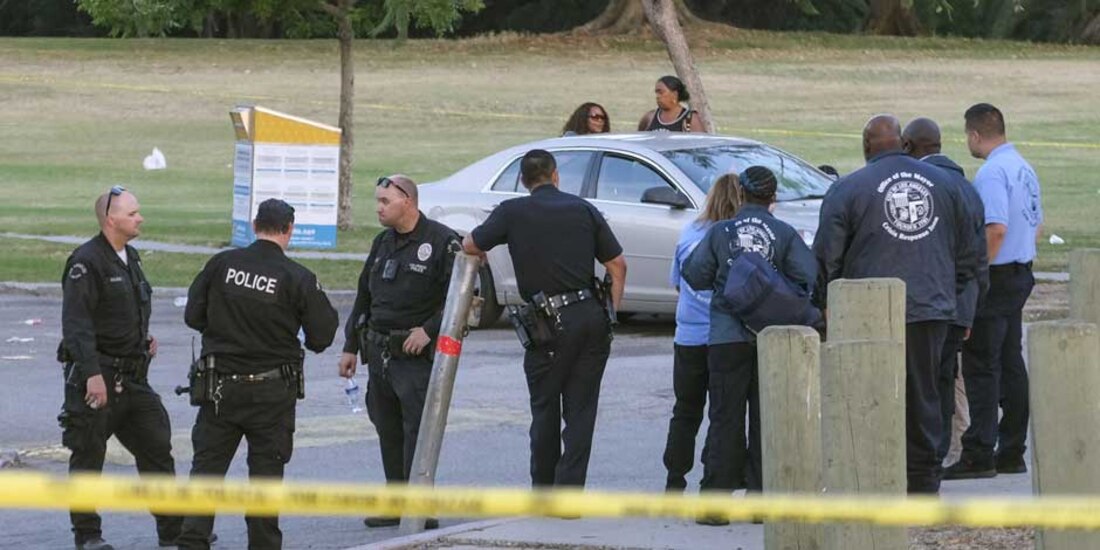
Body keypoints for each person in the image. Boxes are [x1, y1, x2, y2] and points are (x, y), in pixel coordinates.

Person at [813, 115, 976, 494]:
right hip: (929, 307)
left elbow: (826, 256)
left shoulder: (848, 188)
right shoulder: (947, 185)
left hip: (865, 309)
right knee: (925, 394)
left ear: (866, 146)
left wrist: (826, 303)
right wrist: (948, 292)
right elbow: (969, 253)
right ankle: (922, 480)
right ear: (903, 143)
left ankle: (872, 473)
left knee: (869, 393)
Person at [178, 199, 339, 550]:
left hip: (221, 390)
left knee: (205, 474)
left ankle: (192, 543)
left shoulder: (222, 265)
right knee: (265, 481)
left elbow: (193, 315)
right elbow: (322, 337)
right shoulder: (297, 277)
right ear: (289, 229)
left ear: (255, 225)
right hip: (271, 394)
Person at [463, 149, 627, 488]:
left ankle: (543, 489)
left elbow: (470, 243)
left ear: (524, 181)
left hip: (545, 323)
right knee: (581, 412)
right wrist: (610, 313)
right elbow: (617, 265)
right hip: (589, 315)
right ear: (555, 176)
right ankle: (569, 493)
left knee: (545, 408)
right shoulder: (584, 208)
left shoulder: (512, 212)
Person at [683, 166, 817, 524]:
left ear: (740, 194)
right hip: (771, 337)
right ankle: (760, 502)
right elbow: (808, 276)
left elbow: (694, 274)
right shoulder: (784, 233)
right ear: (773, 197)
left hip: (727, 337)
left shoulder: (720, 232)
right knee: (764, 418)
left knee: (724, 417)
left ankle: (715, 504)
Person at [58, 186, 184, 550]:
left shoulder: (131, 256)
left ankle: (173, 531)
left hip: (133, 379)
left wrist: (143, 339)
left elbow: (126, 309)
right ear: (111, 219)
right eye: (132, 214)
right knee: (88, 456)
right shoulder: (86, 262)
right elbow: (77, 325)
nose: (140, 218)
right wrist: (92, 375)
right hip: (97, 378)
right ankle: (88, 536)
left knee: (157, 448)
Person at [337, 175, 460, 528]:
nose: (378, 208)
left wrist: (429, 330)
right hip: (378, 351)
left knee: (416, 430)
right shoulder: (382, 242)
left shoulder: (441, 241)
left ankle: (419, 506)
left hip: (414, 355)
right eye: (377, 201)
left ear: (408, 201)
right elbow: (365, 295)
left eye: (385, 202)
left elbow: (462, 298)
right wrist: (349, 346)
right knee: (387, 427)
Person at [946, 104, 1043, 480]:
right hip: (1020, 271)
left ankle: (979, 453)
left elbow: (995, 228)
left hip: (997, 275)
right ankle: (1012, 449)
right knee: (1010, 362)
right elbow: (1036, 223)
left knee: (981, 365)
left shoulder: (991, 173)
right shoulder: (1024, 167)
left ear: (974, 135)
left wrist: (976, 272)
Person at [901, 117, 989, 466]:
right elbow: (976, 256)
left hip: (927, 302)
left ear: (908, 145)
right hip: (958, 303)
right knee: (942, 377)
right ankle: (935, 452)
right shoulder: (965, 187)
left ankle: (924, 454)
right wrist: (967, 305)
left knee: (923, 380)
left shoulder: (922, 185)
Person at [662, 173, 743, 493]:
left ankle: (674, 479)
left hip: (689, 335)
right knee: (723, 413)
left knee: (685, 411)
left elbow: (678, 283)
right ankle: (714, 476)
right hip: (726, 336)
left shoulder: (690, 232)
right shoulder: (738, 236)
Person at [637, 75, 706, 133]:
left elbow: (702, 145)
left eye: (661, 92)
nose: (657, 96)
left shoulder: (690, 119)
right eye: (656, 93)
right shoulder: (649, 117)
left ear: (674, 94)